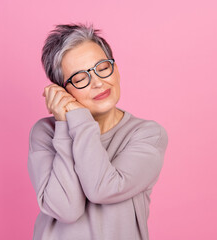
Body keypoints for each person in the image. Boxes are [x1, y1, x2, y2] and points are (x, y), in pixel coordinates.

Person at [27, 23, 168, 240]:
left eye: (102, 68)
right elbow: (66, 209)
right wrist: (65, 124)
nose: (98, 83)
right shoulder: (46, 132)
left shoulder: (147, 134)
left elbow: (102, 188)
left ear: (116, 70)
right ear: (62, 91)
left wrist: (79, 119)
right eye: (81, 78)